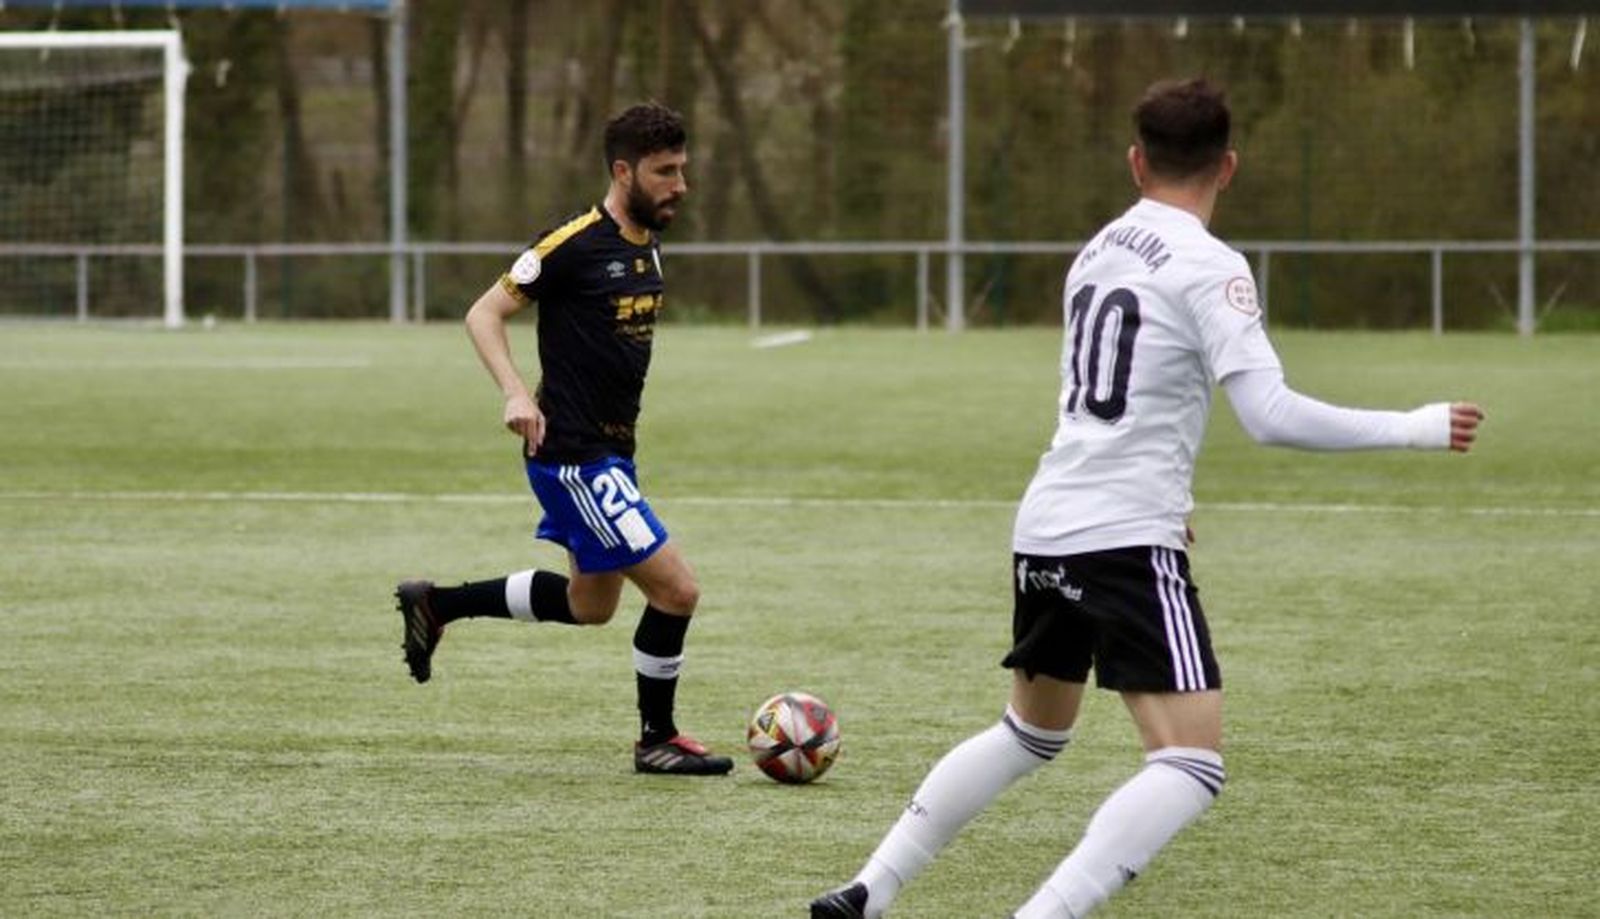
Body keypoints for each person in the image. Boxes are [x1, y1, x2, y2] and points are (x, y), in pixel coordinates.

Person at [810, 77, 1484, 918]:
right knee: (1190, 763)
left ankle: (870, 889)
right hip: (1122, 536)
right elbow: (1268, 416)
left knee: (1029, 733)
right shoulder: (1212, 264)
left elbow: (1121, 398)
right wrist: (1414, 427)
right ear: (1228, 167)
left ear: (1136, 161)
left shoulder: (1098, 248)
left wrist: (1169, 492)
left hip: (1048, 523)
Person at [394, 102, 733, 777]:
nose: (680, 185)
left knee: (591, 605)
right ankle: (656, 738)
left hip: (613, 454)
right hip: (574, 456)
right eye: (665, 171)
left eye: (683, 170)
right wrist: (516, 392)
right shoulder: (572, 242)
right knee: (677, 591)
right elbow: (483, 313)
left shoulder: (648, 241)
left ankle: (437, 603)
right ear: (622, 169)